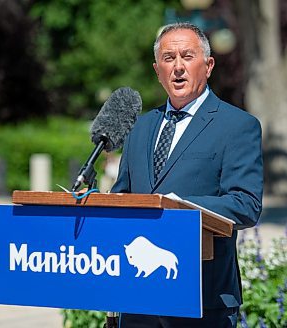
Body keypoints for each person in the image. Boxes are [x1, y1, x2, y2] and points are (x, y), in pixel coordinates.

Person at [110, 22, 263, 328]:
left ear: (208, 66)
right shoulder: (139, 128)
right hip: (138, 298)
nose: (178, 66)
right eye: (169, 58)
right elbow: (122, 196)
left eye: (187, 56)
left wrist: (181, 206)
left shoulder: (237, 126)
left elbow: (245, 204)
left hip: (203, 298)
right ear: (157, 70)